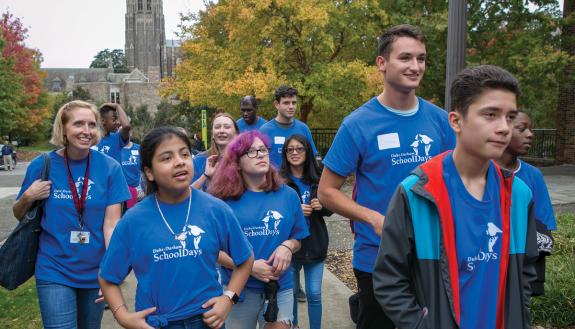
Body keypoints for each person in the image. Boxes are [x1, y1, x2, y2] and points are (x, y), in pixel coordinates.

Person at [372, 65, 539, 329]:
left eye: (510, 117)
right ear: (456, 121)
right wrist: (420, 325)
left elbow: (527, 271)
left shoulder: (519, 194)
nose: (504, 128)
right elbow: (389, 279)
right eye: (491, 115)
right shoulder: (417, 192)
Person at [317, 24, 455, 329]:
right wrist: (374, 219)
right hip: (377, 260)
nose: (415, 66)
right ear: (382, 63)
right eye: (405, 57)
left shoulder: (441, 121)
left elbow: (458, 181)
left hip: (432, 256)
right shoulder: (357, 124)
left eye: (421, 58)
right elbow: (327, 191)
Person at [99, 126, 254, 329]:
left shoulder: (215, 209)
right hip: (156, 323)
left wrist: (229, 298)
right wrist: (123, 317)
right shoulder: (133, 221)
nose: (180, 161)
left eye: (184, 154)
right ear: (149, 172)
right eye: (166, 158)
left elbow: (245, 258)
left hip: (207, 321)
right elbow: (108, 277)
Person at [13, 100, 131, 329]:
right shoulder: (42, 165)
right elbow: (20, 215)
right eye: (78, 124)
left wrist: (110, 273)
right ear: (63, 128)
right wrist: (28, 196)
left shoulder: (110, 168)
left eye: (92, 124)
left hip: (95, 272)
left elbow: (112, 225)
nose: (86, 131)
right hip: (54, 268)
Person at [208, 131, 309, 329]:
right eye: (251, 152)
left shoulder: (288, 195)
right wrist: (250, 266)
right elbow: (212, 250)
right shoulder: (222, 201)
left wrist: (288, 247)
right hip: (239, 290)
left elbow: (298, 237)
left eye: (263, 149)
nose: (261, 154)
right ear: (236, 162)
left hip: (281, 288)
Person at [496, 110, 555, 296]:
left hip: (522, 261)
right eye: (522, 129)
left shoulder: (533, 175)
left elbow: (543, 225)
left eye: (531, 129)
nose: (530, 135)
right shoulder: (481, 171)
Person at [279, 134, 331, 329]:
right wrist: (294, 210)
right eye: (290, 149)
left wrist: (322, 205)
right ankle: (294, 326)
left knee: (314, 293)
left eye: (299, 149)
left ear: (307, 151)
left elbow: (331, 207)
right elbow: (273, 212)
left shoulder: (319, 175)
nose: (294, 153)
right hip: (290, 247)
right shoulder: (279, 180)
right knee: (290, 293)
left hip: (315, 244)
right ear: (285, 153)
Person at [259, 86, 318, 168]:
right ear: (277, 104)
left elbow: (312, 159)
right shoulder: (264, 131)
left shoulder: (303, 129)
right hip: (274, 180)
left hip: (300, 180)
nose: (291, 107)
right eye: (286, 103)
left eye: (294, 103)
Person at [192, 112, 239, 189]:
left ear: (236, 133)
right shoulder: (198, 161)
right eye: (217, 127)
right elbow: (187, 194)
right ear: (213, 134)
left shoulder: (245, 158)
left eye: (227, 127)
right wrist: (205, 176)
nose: (221, 131)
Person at [121, 140, 144, 209]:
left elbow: (145, 169)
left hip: (137, 189)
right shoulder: (115, 149)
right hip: (121, 191)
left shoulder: (139, 148)